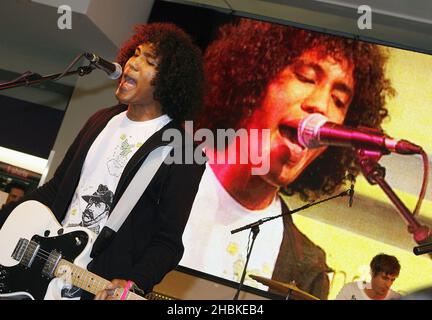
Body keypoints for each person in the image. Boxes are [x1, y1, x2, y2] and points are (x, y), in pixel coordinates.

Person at [180, 18, 393, 300]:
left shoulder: (308, 268)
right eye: (306, 77)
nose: (320, 107)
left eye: (339, 101)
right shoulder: (154, 172)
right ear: (254, 77)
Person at [0, 23, 206, 300]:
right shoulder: (101, 120)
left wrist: (135, 282)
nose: (133, 63)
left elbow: (168, 242)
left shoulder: (180, 150)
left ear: (171, 80)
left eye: (149, 61)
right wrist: (6, 218)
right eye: (135, 53)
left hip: (93, 285)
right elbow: (56, 189)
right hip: (42, 271)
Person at [335, 254, 402, 300]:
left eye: (392, 280)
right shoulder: (350, 290)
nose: (388, 284)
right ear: (372, 273)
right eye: (384, 278)